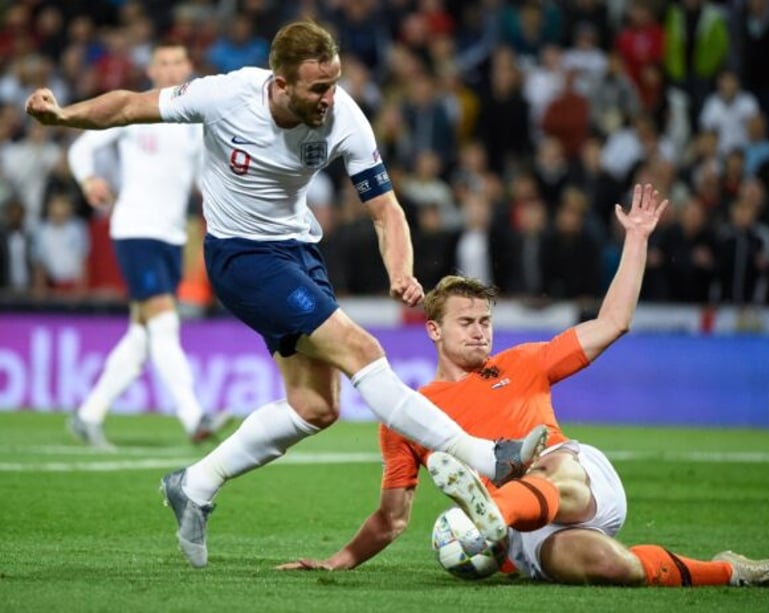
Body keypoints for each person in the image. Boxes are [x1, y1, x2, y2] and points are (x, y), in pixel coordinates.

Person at [25, 20, 545, 568]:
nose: (330, 97)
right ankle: (486, 457)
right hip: (240, 257)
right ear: (280, 82)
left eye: (335, 83)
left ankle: (194, 484)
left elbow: (386, 210)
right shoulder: (226, 95)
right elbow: (129, 106)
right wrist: (64, 116)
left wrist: (402, 269)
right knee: (363, 352)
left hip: (299, 253)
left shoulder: (345, 116)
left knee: (316, 407)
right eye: (318, 88)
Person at [279, 184, 769, 589]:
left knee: (548, 462)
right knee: (605, 566)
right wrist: (338, 560)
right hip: (530, 537)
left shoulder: (526, 362)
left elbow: (612, 322)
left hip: (581, 485)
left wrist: (637, 240)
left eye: (486, 320)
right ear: (434, 330)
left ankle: (494, 512)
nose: (481, 330)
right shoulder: (409, 414)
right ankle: (732, 571)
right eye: (468, 322)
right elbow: (392, 519)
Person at [65, 42, 230, 450]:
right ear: (152, 71)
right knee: (164, 322)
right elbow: (82, 146)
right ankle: (194, 417)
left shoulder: (195, 120)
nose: (173, 70)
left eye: (179, 62)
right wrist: (88, 180)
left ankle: (88, 415)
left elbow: (201, 180)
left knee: (142, 335)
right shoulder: (135, 110)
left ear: (190, 66)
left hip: (172, 236)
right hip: (136, 229)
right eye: (164, 63)